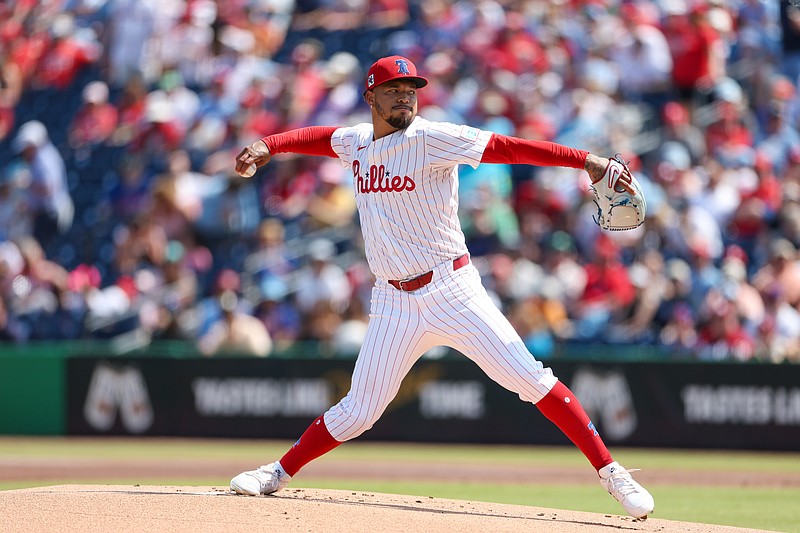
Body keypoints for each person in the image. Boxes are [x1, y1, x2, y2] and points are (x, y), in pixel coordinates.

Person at [229, 55, 655, 519]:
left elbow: (508, 149)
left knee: (531, 380)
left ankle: (612, 471)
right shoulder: (355, 141)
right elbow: (315, 139)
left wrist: (586, 161)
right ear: (370, 96)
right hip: (393, 300)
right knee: (357, 412)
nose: (405, 95)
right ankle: (278, 472)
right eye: (394, 89)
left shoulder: (432, 138)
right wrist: (268, 144)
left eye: (411, 88)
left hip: (452, 289)